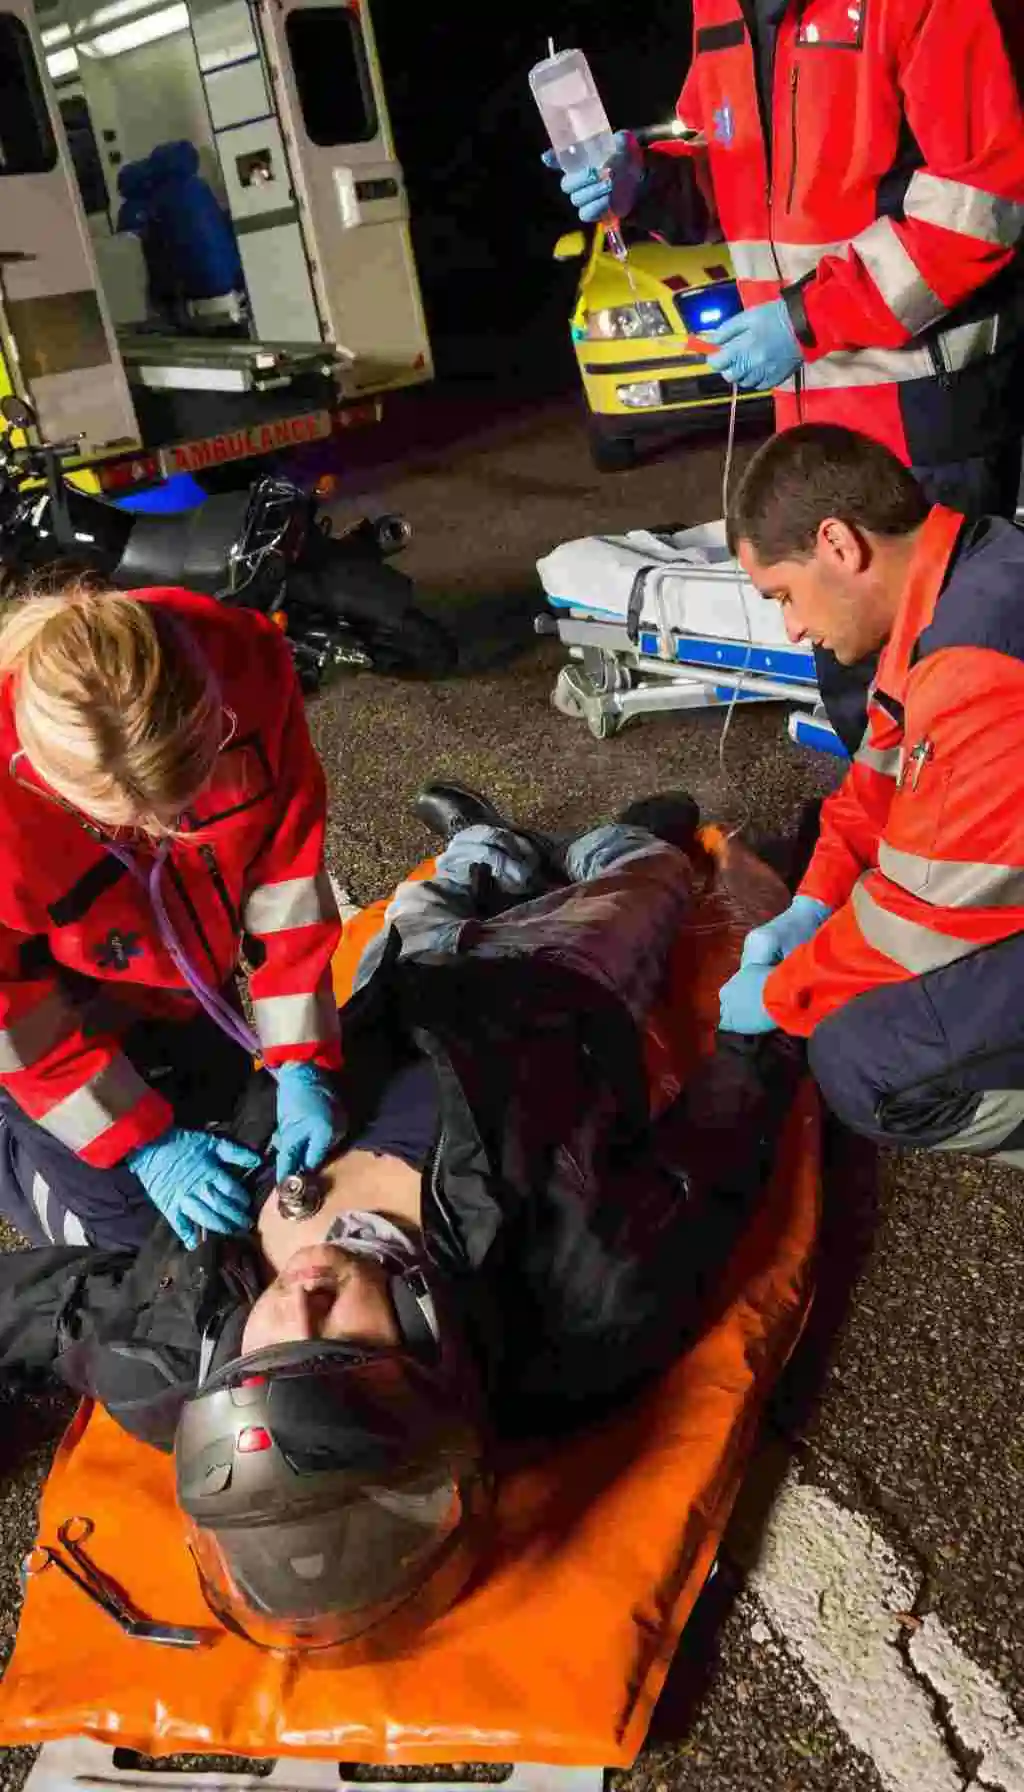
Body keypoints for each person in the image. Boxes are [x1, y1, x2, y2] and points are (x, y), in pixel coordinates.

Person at [0, 784, 800, 1653]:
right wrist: (763, 1034)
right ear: (429, 1354)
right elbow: (715, 1157)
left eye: (265, 1347)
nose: (297, 1299)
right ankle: (617, 841)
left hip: (376, 1007)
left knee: (432, 898)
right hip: (550, 988)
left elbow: (32, 1307)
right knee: (649, 878)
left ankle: (485, 845)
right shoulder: (592, 1297)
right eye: (340, 1338)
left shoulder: (164, 1354)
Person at [547, 0, 1024, 750]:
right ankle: (891, 858)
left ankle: (955, 863)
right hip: (812, 415)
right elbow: (727, 178)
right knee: (858, 696)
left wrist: (804, 320)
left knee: (949, 699)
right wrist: (644, 184)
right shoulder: (725, 11)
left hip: (926, 416)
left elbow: (978, 205)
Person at [0, 581, 342, 1255]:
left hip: (180, 984)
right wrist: (142, 1144)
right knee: (132, 1237)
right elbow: (12, 1011)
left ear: (219, 722)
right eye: (129, 824)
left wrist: (303, 1059)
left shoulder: (248, 667)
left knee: (235, 1147)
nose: (162, 834)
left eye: (179, 809)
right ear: (32, 773)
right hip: (48, 999)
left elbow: (288, 882)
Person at [718, 422, 1024, 1164]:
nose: (792, 628)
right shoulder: (955, 582)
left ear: (838, 544)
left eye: (783, 595)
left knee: (864, 1061)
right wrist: (810, 905)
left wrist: (787, 989)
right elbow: (871, 790)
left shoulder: (976, 658)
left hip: (955, 911)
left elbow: (929, 918)